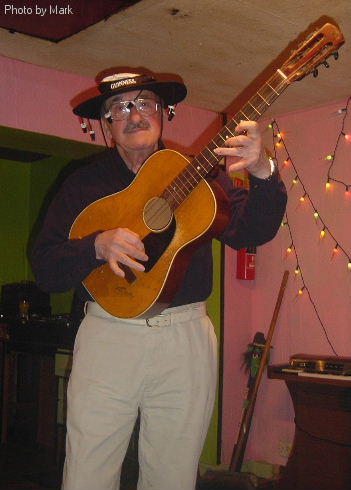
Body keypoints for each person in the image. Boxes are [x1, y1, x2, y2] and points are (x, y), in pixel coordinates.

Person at [31, 71, 287, 490]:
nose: (133, 115)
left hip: (185, 337)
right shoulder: (82, 184)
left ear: (164, 113)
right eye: (119, 108)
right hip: (108, 333)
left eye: (144, 102)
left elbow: (251, 232)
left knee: (173, 473)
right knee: (88, 470)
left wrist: (262, 169)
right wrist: (94, 247)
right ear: (106, 126)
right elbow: (45, 268)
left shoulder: (198, 174)